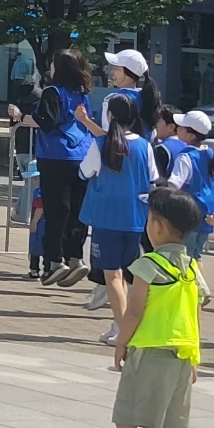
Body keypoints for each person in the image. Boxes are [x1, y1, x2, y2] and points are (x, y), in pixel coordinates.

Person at [87, 186, 205, 428]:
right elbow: (196, 315)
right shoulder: (192, 269)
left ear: (158, 226)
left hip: (149, 351)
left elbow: (134, 311)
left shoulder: (148, 265)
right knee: (171, 427)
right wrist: (195, 356)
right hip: (181, 355)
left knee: (128, 419)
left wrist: (121, 341)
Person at [79, 94, 156, 347]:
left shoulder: (102, 143)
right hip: (136, 217)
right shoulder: (145, 145)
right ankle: (125, 326)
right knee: (128, 275)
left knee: (113, 275)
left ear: (110, 115)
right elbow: (153, 178)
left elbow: (84, 171)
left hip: (106, 217)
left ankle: (124, 330)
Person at [34, 50, 96, 287]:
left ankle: (54, 262)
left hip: (54, 155)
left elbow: (47, 122)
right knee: (77, 211)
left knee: (56, 210)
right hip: (82, 155)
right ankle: (76, 257)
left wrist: (32, 112)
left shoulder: (53, 92)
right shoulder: (82, 94)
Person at [164, 111, 214, 259]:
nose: (178, 128)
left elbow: (173, 185)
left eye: (182, 127)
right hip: (208, 215)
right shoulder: (211, 154)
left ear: (191, 135)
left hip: (188, 216)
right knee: (195, 258)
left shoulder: (185, 157)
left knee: (183, 259)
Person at [102, 49, 160, 137]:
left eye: (116, 68)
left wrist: (85, 119)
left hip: (119, 150)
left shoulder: (113, 99)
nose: (112, 71)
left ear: (129, 74)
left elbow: (106, 135)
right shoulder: (148, 96)